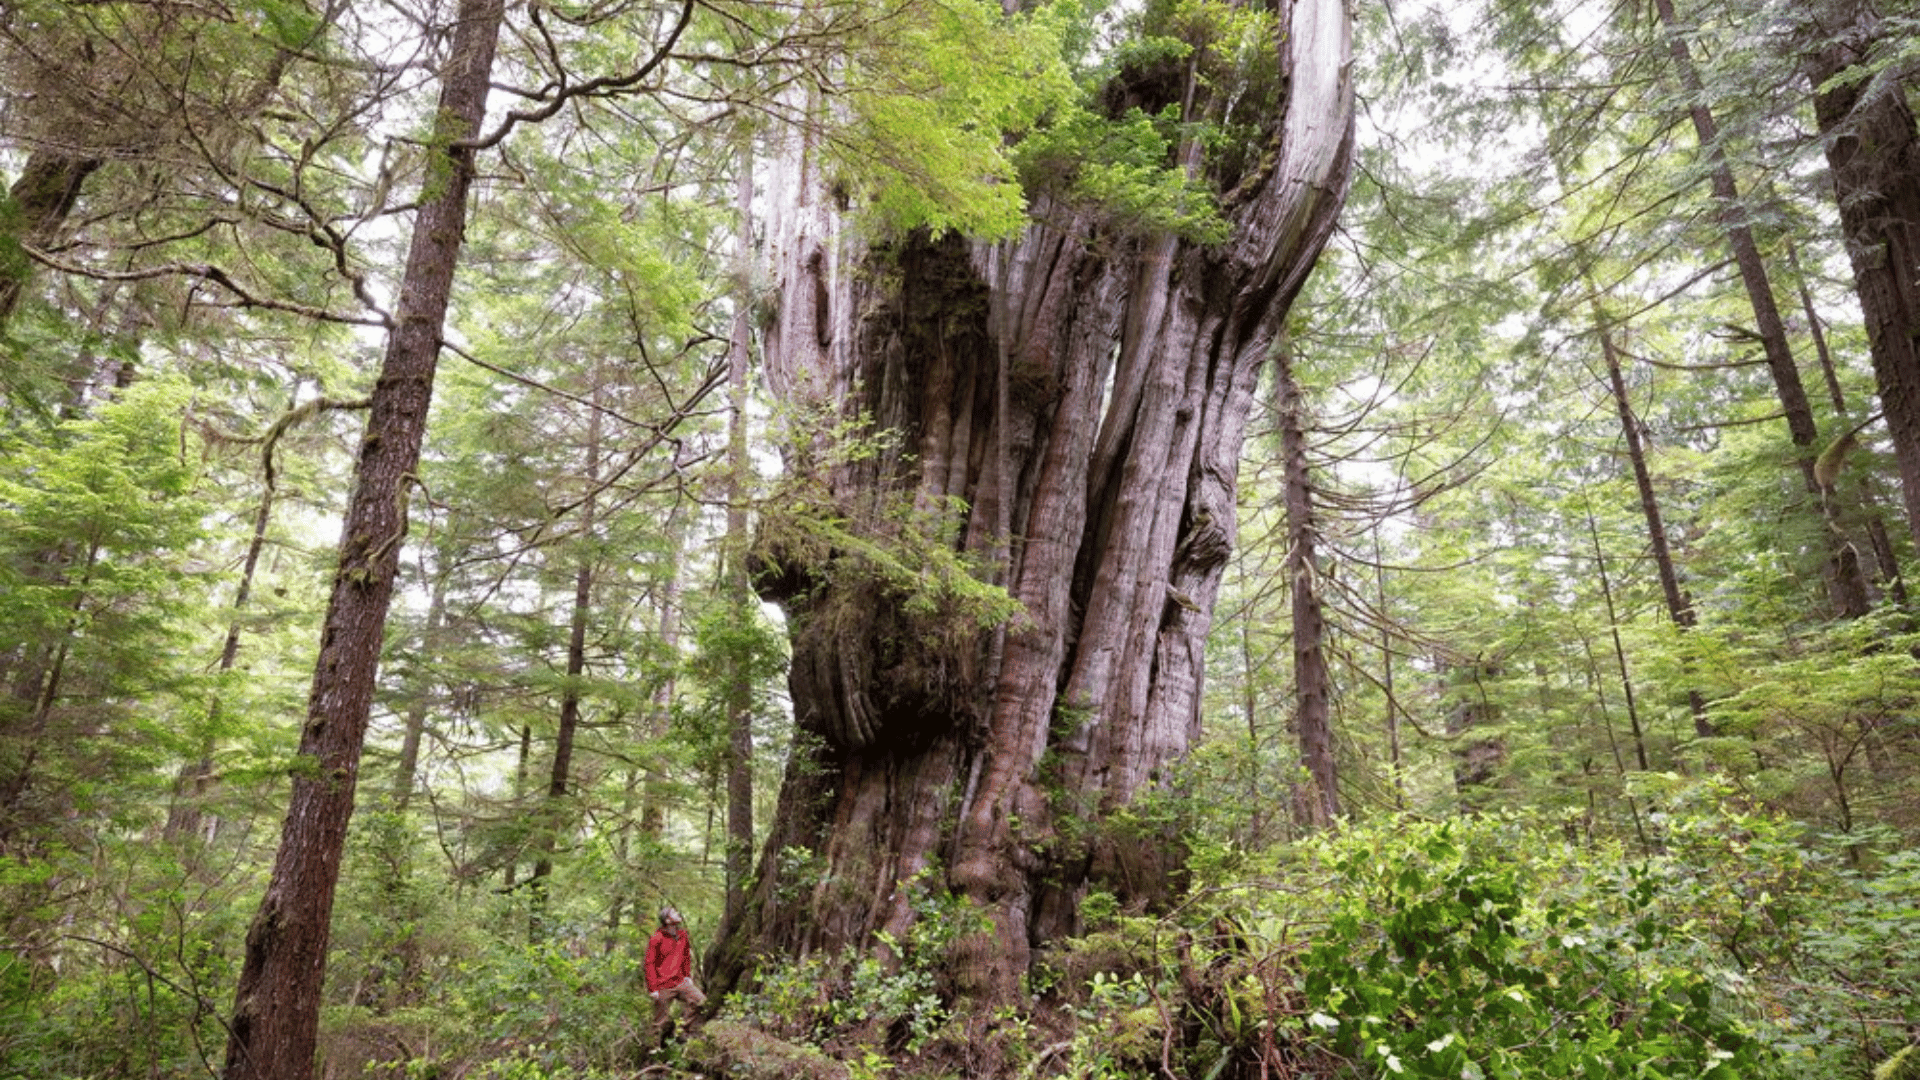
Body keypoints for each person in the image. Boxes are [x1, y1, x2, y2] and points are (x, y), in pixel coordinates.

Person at [644, 905, 706, 1048]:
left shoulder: (682, 935)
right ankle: (654, 1053)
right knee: (659, 1022)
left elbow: (685, 957)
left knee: (701, 1001)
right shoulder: (656, 938)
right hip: (663, 985)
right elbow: (649, 963)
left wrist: (687, 975)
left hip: (680, 982)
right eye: (674, 912)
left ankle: (680, 1031)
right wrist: (653, 988)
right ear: (667, 920)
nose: (678, 913)